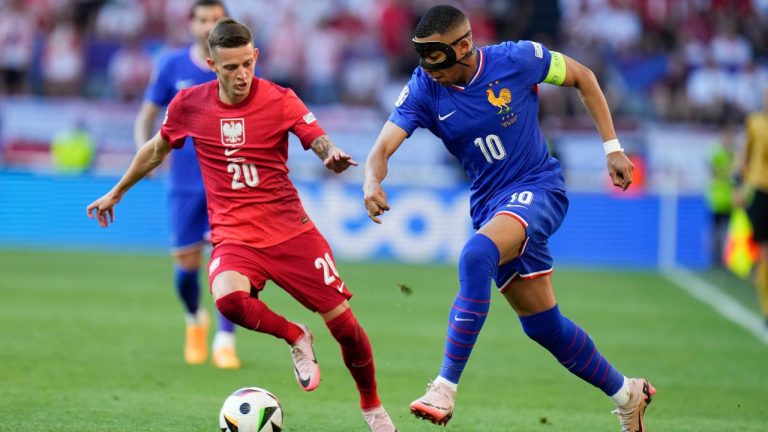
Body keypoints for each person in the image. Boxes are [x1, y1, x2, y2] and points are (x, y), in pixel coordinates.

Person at [88, 18, 396, 432]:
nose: (241, 75)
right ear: (213, 65)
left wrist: (330, 154)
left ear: (256, 57)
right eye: (230, 67)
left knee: (347, 329)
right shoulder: (189, 105)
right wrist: (117, 191)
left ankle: (373, 408)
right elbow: (157, 149)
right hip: (235, 235)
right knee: (227, 300)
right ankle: (295, 336)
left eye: (246, 64)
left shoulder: (280, 99)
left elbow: (317, 137)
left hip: (291, 232)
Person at [363, 5, 654, 431]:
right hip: (490, 205)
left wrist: (612, 148)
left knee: (476, 254)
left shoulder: (517, 59)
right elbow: (382, 147)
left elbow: (583, 77)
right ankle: (629, 394)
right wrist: (372, 181)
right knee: (543, 327)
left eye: (436, 57)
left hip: (539, 188)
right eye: (422, 57)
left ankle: (445, 385)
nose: (429, 68)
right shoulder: (425, 86)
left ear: (463, 46)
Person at [133, 0, 240, 369]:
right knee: (186, 269)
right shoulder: (171, 65)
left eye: (217, 19)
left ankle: (225, 340)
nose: (210, 25)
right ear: (191, 24)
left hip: (227, 185)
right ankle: (195, 318)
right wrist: (144, 156)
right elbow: (147, 115)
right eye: (204, 19)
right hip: (183, 183)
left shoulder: (237, 67)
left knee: (229, 265)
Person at [735, 88, 768, 326]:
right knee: (765, 253)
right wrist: (739, 186)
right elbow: (744, 158)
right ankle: (766, 308)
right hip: (761, 190)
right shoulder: (754, 123)